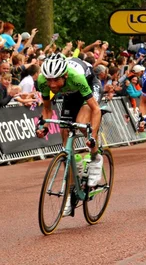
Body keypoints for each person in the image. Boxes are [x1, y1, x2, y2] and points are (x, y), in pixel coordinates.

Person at [35, 54, 103, 215]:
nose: (51, 84)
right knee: (65, 131)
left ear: (65, 75)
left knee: (82, 121)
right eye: (49, 80)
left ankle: (96, 158)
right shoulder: (43, 81)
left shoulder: (76, 77)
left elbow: (96, 109)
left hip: (88, 88)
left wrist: (91, 135)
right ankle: (71, 183)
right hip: (69, 94)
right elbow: (46, 108)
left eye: (55, 80)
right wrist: (43, 125)